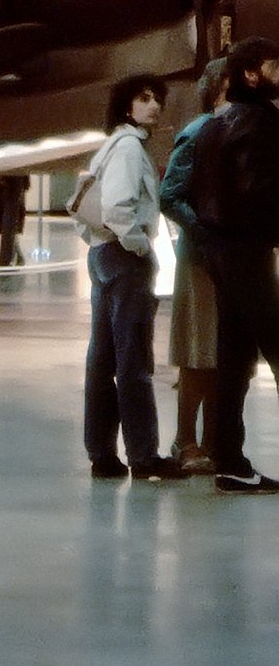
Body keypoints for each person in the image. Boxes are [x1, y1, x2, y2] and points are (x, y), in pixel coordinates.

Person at [76, 75, 187, 481]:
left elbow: (88, 206)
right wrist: (140, 246)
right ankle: (143, 455)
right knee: (133, 359)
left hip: (101, 253)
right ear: (127, 106)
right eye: (144, 98)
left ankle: (102, 454)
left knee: (102, 360)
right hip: (123, 258)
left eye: (157, 99)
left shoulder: (111, 146)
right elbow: (118, 208)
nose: (154, 105)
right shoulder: (128, 149)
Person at [190, 37, 279, 494]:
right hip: (247, 251)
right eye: (274, 66)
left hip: (220, 252)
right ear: (251, 74)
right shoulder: (259, 122)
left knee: (234, 358)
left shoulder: (215, 124)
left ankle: (229, 461)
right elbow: (259, 190)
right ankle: (228, 459)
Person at [159, 57, 227, 474]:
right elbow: (170, 195)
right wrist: (206, 229)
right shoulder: (199, 132)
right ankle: (186, 440)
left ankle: (212, 440)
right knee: (198, 350)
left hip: (230, 258)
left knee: (222, 353)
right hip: (202, 259)